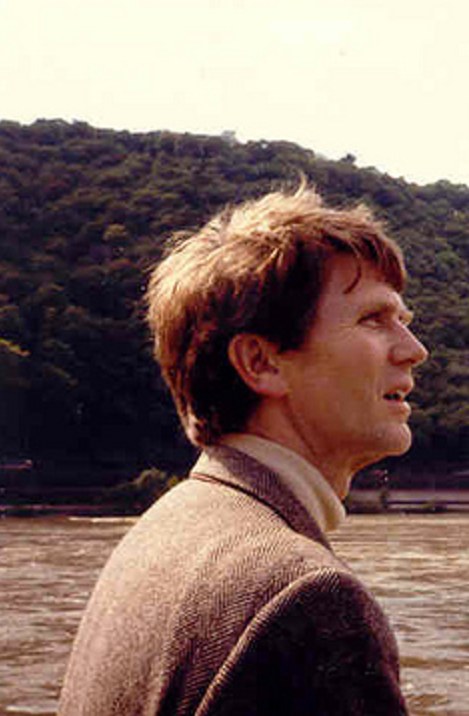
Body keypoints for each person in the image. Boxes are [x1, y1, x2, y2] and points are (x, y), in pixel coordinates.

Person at [59, 184, 428, 715]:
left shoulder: (166, 528)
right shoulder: (306, 597)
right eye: (373, 319)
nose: (414, 350)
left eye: (404, 322)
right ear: (261, 363)